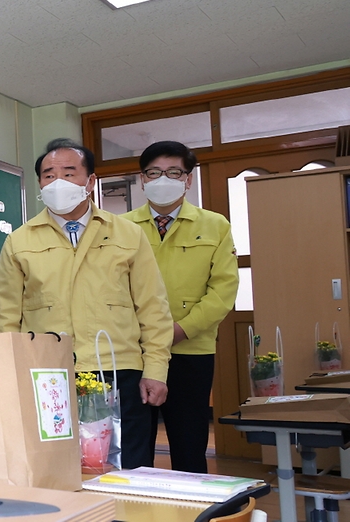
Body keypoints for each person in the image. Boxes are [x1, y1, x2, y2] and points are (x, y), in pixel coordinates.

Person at [0, 138, 173, 469]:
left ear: (90, 182)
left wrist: (156, 370)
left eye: (69, 173)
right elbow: (4, 319)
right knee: (56, 469)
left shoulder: (128, 234)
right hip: (48, 373)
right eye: (48, 175)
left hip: (119, 369)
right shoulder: (20, 240)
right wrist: (8, 379)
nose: (57, 182)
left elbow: (153, 308)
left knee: (126, 467)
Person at [121, 141, 238, 473]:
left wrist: (180, 330)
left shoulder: (215, 225)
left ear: (188, 179)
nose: (163, 179)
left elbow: (223, 290)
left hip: (191, 351)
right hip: (135, 352)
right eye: (154, 172)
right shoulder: (121, 227)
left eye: (173, 172)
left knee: (189, 445)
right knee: (134, 445)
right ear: (142, 179)